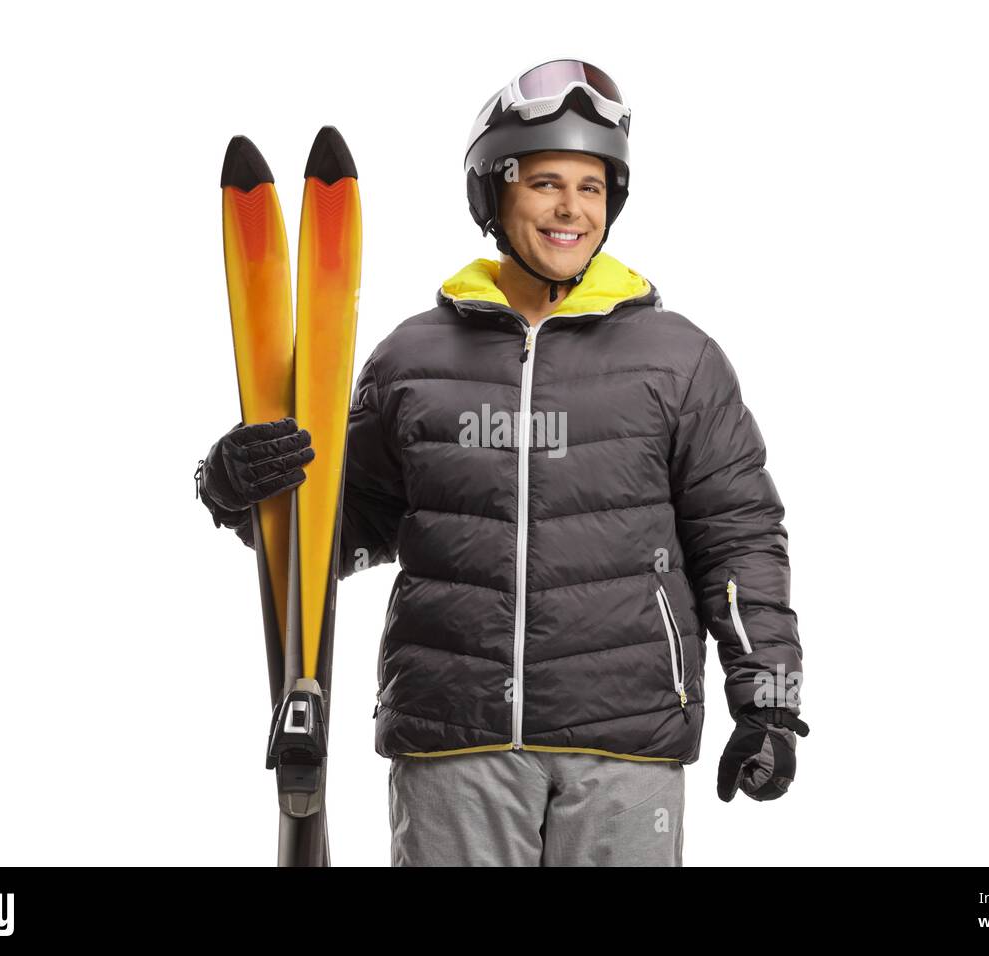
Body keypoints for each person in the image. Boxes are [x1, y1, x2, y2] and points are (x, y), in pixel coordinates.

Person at [196, 59, 809, 867]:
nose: (570, 209)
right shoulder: (412, 359)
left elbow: (740, 536)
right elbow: (339, 537)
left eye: (592, 187)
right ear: (494, 192)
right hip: (455, 742)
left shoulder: (679, 361)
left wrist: (767, 701)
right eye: (546, 182)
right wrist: (238, 492)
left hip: (623, 741)